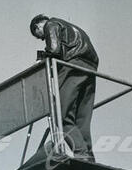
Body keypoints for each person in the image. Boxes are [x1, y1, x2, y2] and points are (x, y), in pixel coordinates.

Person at [30, 14, 99, 162]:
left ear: (38, 26)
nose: (43, 39)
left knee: (61, 115)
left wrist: (42, 59)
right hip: (90, 67)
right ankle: (88, 156)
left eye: (40, 36)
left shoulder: (51, 25)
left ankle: (81, 153)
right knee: (82, 118)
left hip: (72, 65)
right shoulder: (70, 27)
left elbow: (54, 49)